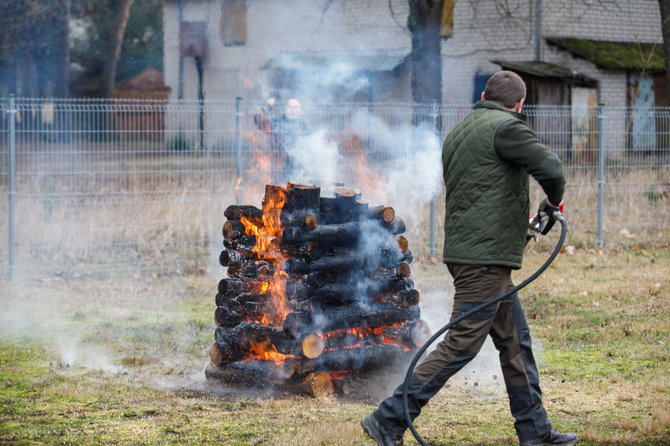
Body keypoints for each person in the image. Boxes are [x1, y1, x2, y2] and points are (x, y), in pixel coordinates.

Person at [361, 71, 578, 446]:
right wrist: (553, 202)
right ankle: (389, 417)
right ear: (520, 104)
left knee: (514, 342)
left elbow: (483, 188)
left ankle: (535, 431)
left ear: (483, 95)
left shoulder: (459, 133)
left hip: (471, 253)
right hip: (485, 259)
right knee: (461, 343)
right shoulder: (507, 128)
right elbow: (552, 169)